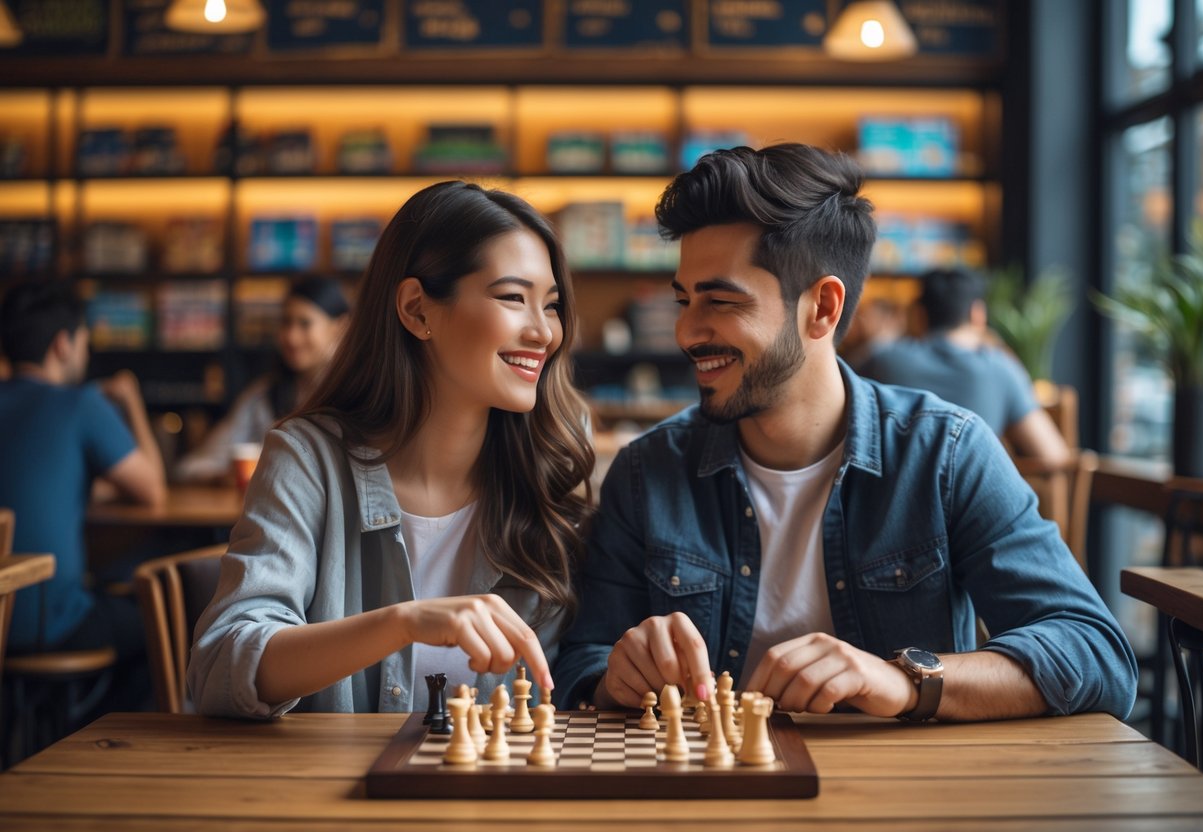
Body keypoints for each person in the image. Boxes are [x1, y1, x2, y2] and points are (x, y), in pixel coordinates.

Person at [553, 144, 1136, 722]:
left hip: (907, 806)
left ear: (822, 309)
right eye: (684, 300)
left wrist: (906, 681)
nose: (686, 331)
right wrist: (616, 679)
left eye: (720, 301)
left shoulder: (945, 453)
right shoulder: (646, 471)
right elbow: (584, 662)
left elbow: (1097, 655)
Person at [188, 181, 595, 717]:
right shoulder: (307, 459)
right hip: (326, 798)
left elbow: (582, 675)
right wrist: (403, 622)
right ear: (416, 310)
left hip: (501, 798)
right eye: (513, 298)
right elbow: (219, 668)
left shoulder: (552, 467)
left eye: (552, 306)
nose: (545, 332)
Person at [0, 280, 166, 667]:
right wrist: (131, 400)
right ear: (62, 344)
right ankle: (88, 725)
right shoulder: (81, 404)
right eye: (83, 341)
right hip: (48, 624)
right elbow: (152, 489)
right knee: (165, 627)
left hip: (2, 624)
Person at [857, 267, 1071, 465]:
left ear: (920, 316)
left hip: (891, 502)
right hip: (973, 501)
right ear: (977, 314)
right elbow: (1053, 454)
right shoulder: (1000, 368)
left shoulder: (885, 360)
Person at [173, 276, 350, 484]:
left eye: (304, 323)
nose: (291, 336)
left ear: (341, 327)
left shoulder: (357, 395)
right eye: (286, 322)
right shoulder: (264, 395)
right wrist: (222, 477)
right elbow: (194, 466)